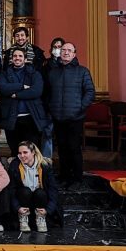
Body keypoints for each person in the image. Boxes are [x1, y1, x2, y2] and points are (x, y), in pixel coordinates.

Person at [48, 42, 95, 187]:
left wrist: (80, 107)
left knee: (74, 148)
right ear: (59, 53)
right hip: (58, 117)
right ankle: (64, 176)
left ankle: (77, 178)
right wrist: (51, 109)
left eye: (69, 50)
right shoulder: (53, 72)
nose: (66, 52)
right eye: (63, 50)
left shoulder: (82, 71)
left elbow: (90, 92)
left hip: (75, 117)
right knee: (61, 149)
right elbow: (48, 93)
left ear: (74, 54)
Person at [0, 47, 48, 152]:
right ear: (11, 59)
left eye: (20, 56)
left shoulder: (34, 73)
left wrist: (16, 95)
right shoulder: (4, 74)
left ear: (25, 59)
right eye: (15, 56)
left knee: (32, 151)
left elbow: (36, 91)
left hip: (31, 118)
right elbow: (3, 88)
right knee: (15, 151)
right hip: (11, 118)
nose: (17, 58)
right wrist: (22, 86)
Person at [8, 141, 59, 233]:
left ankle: (41, 218)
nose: (22, 156)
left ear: (33, 152)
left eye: (25, 152)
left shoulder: (45, 165)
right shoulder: (15, 165)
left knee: (40, 193)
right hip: (23, 200)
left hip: (40, 201)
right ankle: (23, 218)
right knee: (25, 191)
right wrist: (17, 207)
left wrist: (48, 209)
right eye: (20, 153)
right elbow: (11, 189)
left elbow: (53, 189)